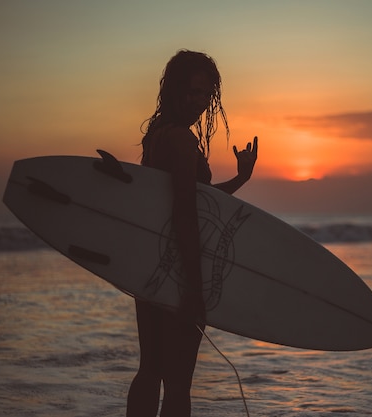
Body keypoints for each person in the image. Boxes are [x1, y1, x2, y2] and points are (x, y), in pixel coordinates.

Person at [126, 50, 258, 417]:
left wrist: (240, 179)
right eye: (193, 92)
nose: (200, 102)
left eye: (206, 94)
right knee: (179, 385)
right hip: (181, 273)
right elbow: (185, 214)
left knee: (150, 371)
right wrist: (195, 291)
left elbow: (194, 201)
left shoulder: (158, 136)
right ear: (175, 90)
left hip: (152, 270)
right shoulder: (182, 141)